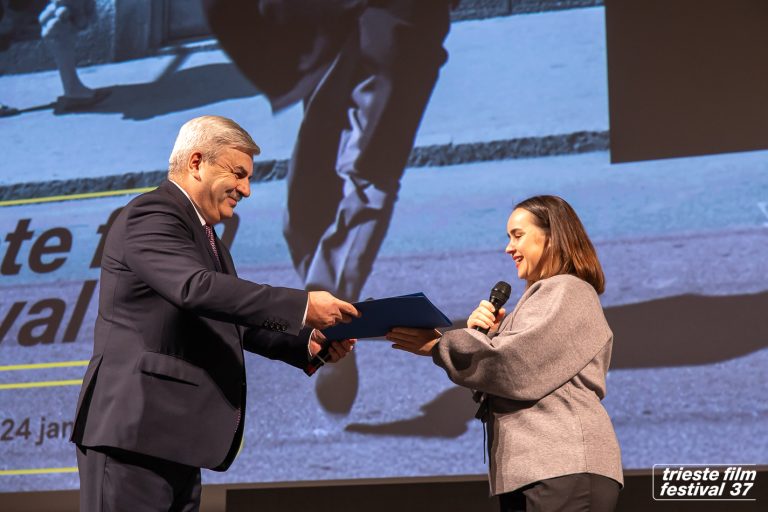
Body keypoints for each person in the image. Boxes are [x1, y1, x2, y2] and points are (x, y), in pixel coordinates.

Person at [70, 115, 359, 512]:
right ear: (196, 162)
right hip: (132, 437)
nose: (246, 189)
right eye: (238, 174)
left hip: (176, 440)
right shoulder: (152, 213)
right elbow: (195, 289)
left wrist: (306, 343)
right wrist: (304, 306)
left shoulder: (206, 236)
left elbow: (225, 318)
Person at [204, 0, 454, 414]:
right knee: (305, 202)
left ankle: (329, 322)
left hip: (400, 20)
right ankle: (328, 311)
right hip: (326, 28)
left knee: (368, 174)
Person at [387, 195, 623, 511]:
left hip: (562, 465)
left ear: (552, 237)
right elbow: (513, 371)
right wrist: (488, 336)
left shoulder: (568, 289)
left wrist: (438, 345)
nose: (508, 248)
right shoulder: (542, 298)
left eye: (517, 235)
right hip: (537, 469)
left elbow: (513, 365)